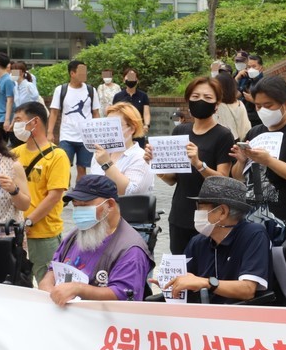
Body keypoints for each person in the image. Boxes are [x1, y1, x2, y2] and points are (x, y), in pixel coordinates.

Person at [146, 76, 234, 255]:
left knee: (207, 271)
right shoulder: (180, 131)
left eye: (208, 98)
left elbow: (222, 181)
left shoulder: (223, 135)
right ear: (188, 100)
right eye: (195, 96)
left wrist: (199, 164)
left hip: (210, 217)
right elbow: (172, 180)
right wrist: (155, 164)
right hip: (180, 215)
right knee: (181, 269)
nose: (201, 101)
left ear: (217, 104)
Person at [230, 76, 286, 244]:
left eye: (268, 105)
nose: (263, 110)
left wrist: (270, 161)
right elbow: (239, 178)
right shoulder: (254, 133)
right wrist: (241, 161)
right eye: (258, 106)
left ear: (285, 104)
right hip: (251, 222)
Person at [39, 175, 153, 305]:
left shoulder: (130, 249)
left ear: (110, 205)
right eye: (76, 206)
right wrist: (47, 289)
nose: (79, 212)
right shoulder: (76, 234)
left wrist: (79, 289)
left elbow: (123, 294)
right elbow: (53, 269)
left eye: (85, 206)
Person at [161, 176, 272, 304]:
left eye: (201, 207)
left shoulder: (254, 235)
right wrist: (169, 282)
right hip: (203, 315)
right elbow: (186, 278)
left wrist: (207, 283)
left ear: (222, 212)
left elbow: (247, 289)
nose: (196, 212)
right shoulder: (198, 241)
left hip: (242, 317)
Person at [12, 101, 71, 284]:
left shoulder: (57, 156)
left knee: (48, 284)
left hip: (43, 233)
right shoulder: (13, 154)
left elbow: (54, 196)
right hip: (16, 234)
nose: (15, 125)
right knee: (19, 283)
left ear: (34, 122)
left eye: (19, 120)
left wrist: (29, 222)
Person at [48, 60, 100, 181]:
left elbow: (95, 113)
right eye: (81, 72)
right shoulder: (61, 90)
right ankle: (65, 195)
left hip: (86, 137)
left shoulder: (91, 90)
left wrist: (98, 133)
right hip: (67, 135)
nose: (84, 75)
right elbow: (54, 112)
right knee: (64, 166)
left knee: (82, 169)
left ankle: (79, 196)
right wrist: (50, 132)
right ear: (72, 73)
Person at [88, 102, 154, 196]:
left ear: (132, 129)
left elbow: (131, 192)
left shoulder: (141, 157)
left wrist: (107, 164)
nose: (109, 130)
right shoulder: (99, 154)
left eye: (114, 126)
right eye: (106, 126)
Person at [111, 68, 151, 144]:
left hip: (138, 132)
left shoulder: (143, 96)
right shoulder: (118, 96)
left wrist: (146, 125)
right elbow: (114, 114)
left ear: (137, 80)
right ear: (123, 79)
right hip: (122, 132)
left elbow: (146, 113)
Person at [213, 69, 251, 140]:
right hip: (241, 142)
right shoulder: (239, 104)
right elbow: (246, 127)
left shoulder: (216, 106)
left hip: (223, 143)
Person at [236, 53, 265, 127]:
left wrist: (252, 100)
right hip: (246, 117)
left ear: (261, 68)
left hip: (258, 120)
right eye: (249, 67)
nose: (251, 69)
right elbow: (235, 95)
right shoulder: (246, 80)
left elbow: (268, 104)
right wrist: (237, 78)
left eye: (254, 66)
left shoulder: (265, 83)